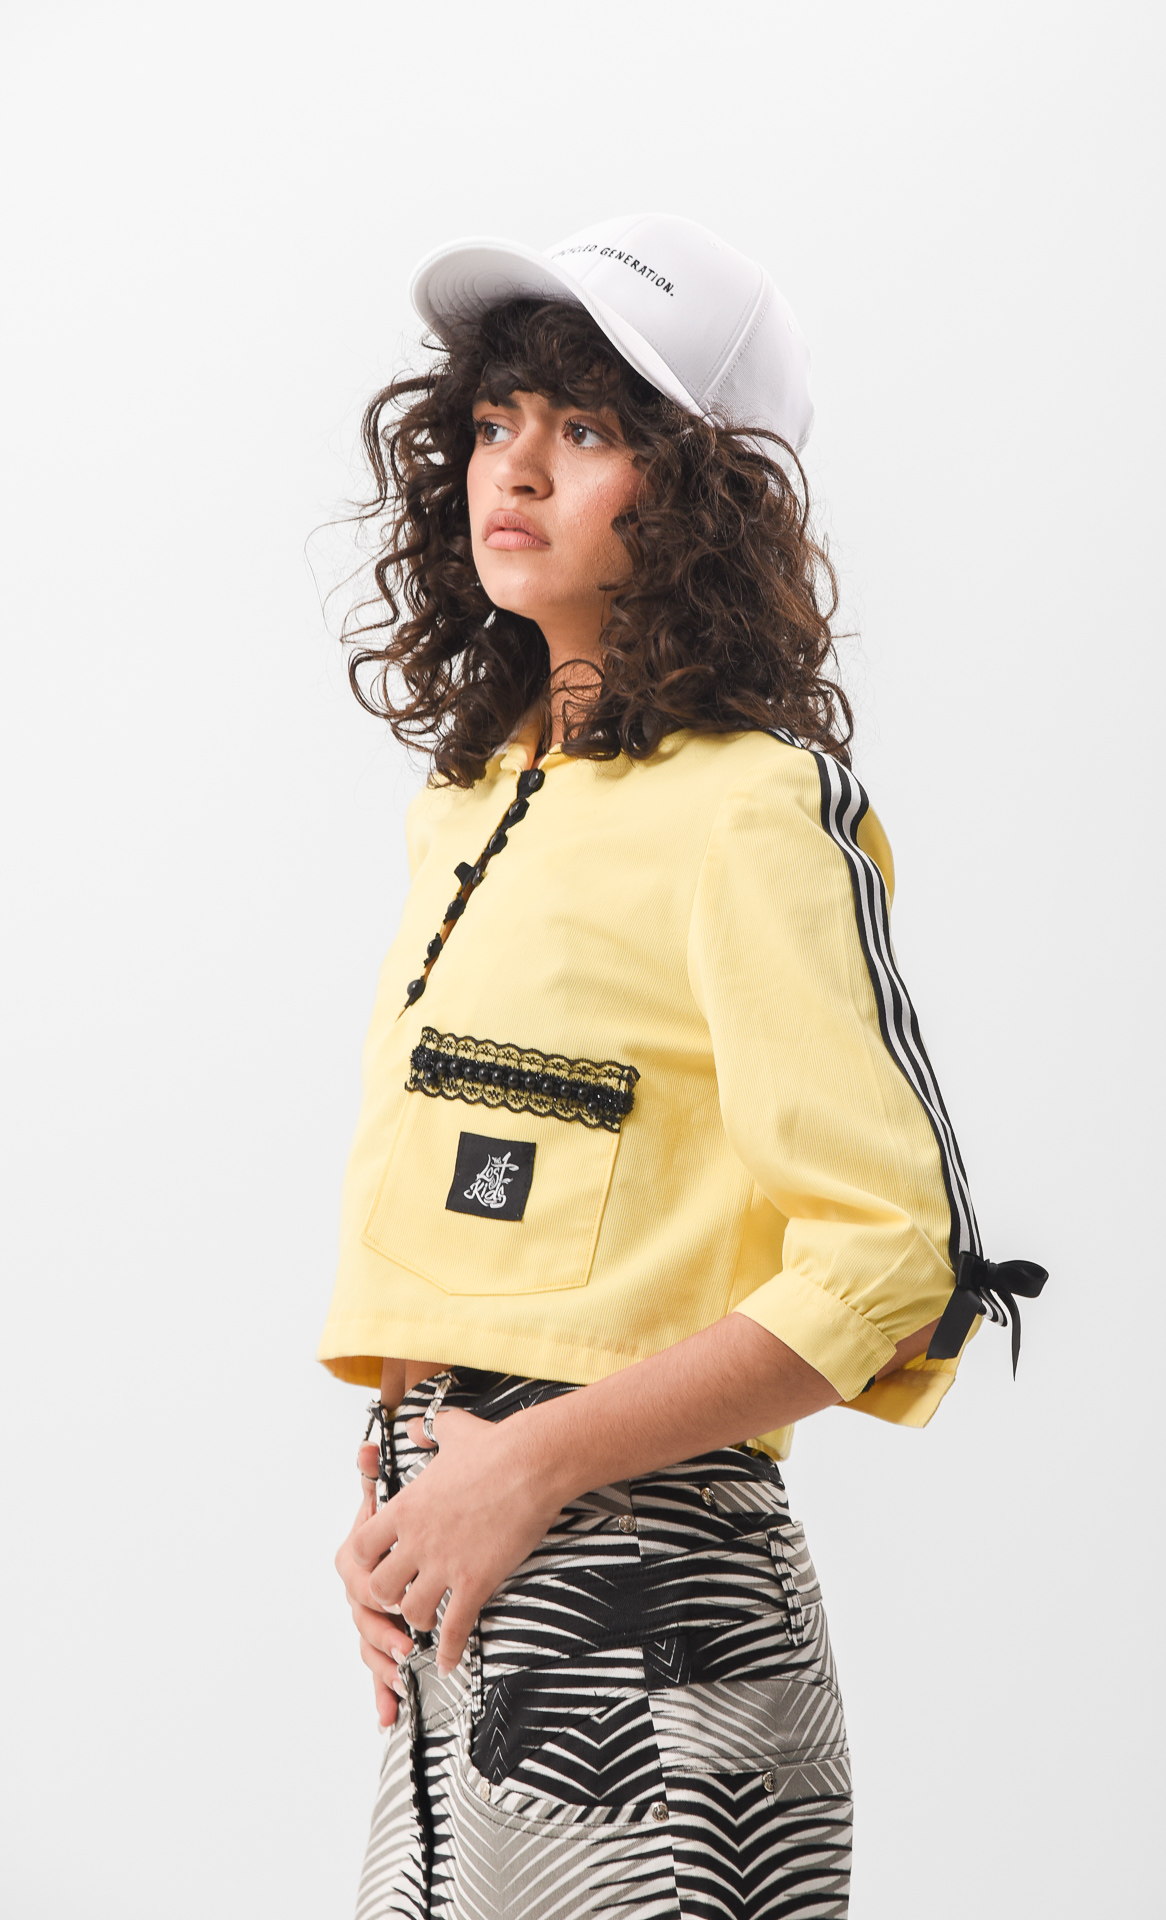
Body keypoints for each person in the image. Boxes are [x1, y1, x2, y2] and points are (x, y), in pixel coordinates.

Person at [323, 212, 1046, 1920]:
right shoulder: (472, 801)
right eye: (495, 420)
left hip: (654, 1628)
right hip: (469, 1610)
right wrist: (401, 1474)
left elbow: (893, 1259)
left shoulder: (749, 807)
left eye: (587, 429)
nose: (518, 468)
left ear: (704, 494)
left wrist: (526, 1464)